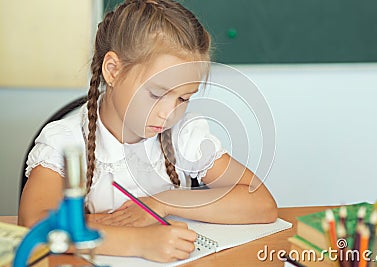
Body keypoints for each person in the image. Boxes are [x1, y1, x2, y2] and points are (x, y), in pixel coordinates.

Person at [18, 0, 277, 262]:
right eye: (156, 94)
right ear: (113, 71)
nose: (168, 114)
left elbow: (262, 204)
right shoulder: (65, 141)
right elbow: (35, 224)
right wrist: (138, 243)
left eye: (183, 98)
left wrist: (163, 202)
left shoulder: (183, 134)